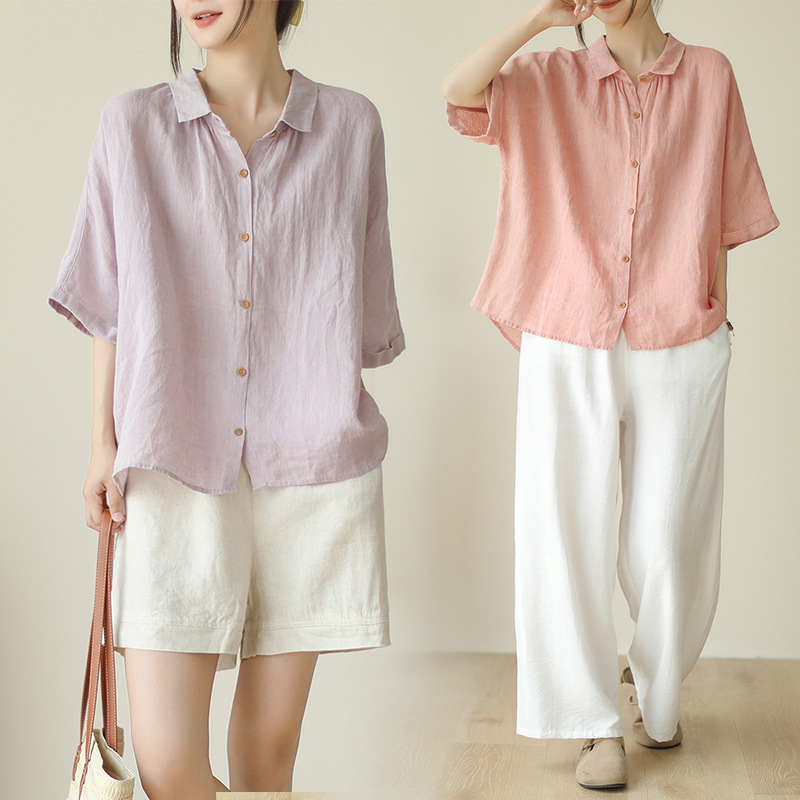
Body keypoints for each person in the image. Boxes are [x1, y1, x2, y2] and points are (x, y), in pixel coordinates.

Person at [47, 1, 405, 797]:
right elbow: (108, 300)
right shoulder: (132, 126)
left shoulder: (351, 128)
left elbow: (361, 314)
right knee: (168, 767)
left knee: (267, 761)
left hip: (309, 471)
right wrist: (102, 444)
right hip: (172, 461)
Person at [441, 0, 778, 790]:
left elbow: (723, 214)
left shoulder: (710, 75)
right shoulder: (545, 75)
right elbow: (459, 94)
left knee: (670, 539)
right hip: (568, 332)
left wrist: (719, 327)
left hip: (681, 332)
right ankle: (592, 722)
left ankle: (655, 693)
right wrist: (539, 19)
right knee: (562, 531)